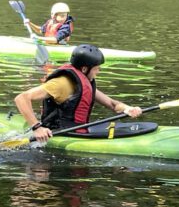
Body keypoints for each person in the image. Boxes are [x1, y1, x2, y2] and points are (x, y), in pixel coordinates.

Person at [14, 44, 142, 142]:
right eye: (97, 68)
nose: (99, 71)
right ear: (85, 68)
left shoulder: (84, 82)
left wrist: (127, 109)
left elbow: (112, 104)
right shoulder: (62, 84)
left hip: (76, 131)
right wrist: (37, 128)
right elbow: (21, 98)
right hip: (57, 132)